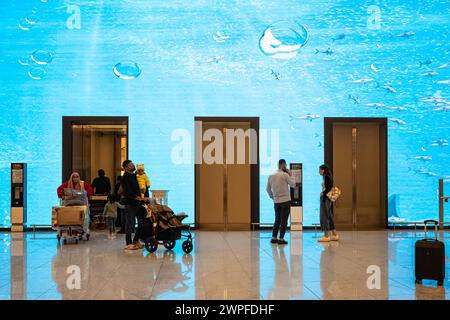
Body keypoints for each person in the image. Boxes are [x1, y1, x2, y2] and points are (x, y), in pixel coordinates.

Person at [266, 159, 296, 245]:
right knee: (284, 221)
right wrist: (291, 175)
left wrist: (272, 197)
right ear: (282, 165)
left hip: (276, 201)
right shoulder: (285, 175)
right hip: (285, 201)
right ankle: (281, 239)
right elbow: (293, 185)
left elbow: (267, 189)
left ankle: (274, 238)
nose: (286, 167)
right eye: (285, 165)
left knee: (277, 220)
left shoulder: (271, 175)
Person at [121, 160, 148, 251]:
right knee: (130, 224)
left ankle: (136, 240)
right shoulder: (125, 177)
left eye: (132, 164)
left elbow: (141, 186)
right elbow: (127, 191)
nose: (132, 165)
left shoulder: (135, 176)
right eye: (130, 165)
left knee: (142, 222)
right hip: (130, 203)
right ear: (125, 167)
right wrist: (137, 197)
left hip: (139, 203)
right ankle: (128, 243)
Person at [318, 164, 339, 242]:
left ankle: (326, 235)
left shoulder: (326, 177)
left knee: (325, 216)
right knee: (329, 216)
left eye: (319, 170)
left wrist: (323, 193)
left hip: (325, 199)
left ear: (323, 170)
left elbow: (328, 188)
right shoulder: (328, 176)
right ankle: (334, 234)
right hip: (328, 199)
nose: (319, 171)